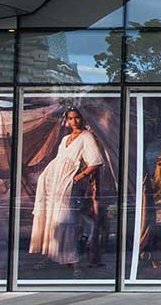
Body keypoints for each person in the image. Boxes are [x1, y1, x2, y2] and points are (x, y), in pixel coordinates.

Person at [29, 108, 105, 276]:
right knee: (51, 217)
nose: (74, 122)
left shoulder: (87, 137)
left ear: (82, 118)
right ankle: (49, 255)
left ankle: (73, 261)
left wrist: (77, 178)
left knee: (65, 219)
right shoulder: (65, 139)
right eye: (70, 118)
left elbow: (96, 162)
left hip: (67, 181)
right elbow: (59, 160)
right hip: (52, 180)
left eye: (77, 118)